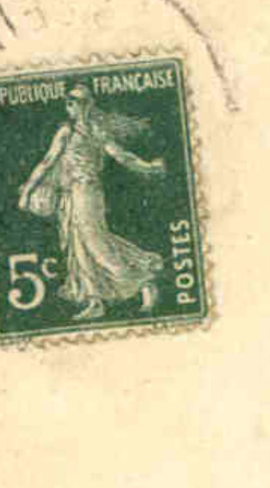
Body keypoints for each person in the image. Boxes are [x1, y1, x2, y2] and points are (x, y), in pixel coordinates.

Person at [17, 85, 167, 322]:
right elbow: (47, 162)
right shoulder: (68, 131)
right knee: (79, 247)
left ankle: (142, 284)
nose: (71, 106)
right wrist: (28, 190)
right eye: (69, 102)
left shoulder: (94, 131)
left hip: (86, 193)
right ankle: (94, 301)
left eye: (76, 102)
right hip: (71, 194)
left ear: (88, 105)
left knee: (96, 243)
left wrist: (147, 167)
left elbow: (120, 156)